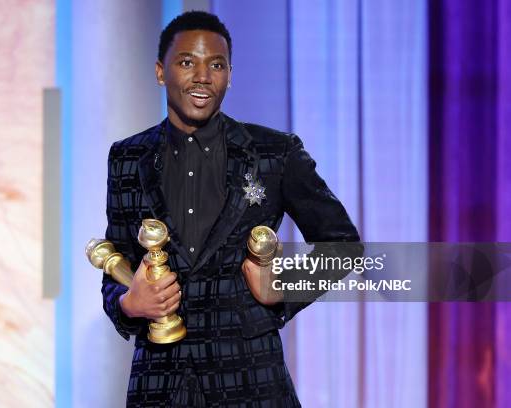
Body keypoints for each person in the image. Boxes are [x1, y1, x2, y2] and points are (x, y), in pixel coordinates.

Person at [101, 11, 360, 407]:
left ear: (229, 75)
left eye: (216, 64)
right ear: (159, 71)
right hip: (160, 383)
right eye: (187, 62)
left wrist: (284, 287)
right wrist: (128, 304)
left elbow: (343, 245)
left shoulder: (274, 153)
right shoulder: (127, 157)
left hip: (252, 380)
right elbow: (114, 264)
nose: (203, 76)